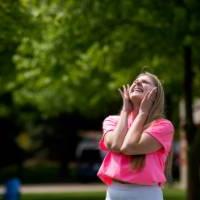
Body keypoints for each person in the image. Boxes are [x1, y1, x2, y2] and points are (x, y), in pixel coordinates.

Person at [97, 72, 174, 200]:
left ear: (155, 95)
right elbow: (115, 145)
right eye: (135, 81)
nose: (137, 82)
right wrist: (125, 111)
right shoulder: (112, 121)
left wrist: (143, 113)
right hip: (114, 192)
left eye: (145, 82)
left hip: (146, 194)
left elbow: (129, 147)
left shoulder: (163, 126)